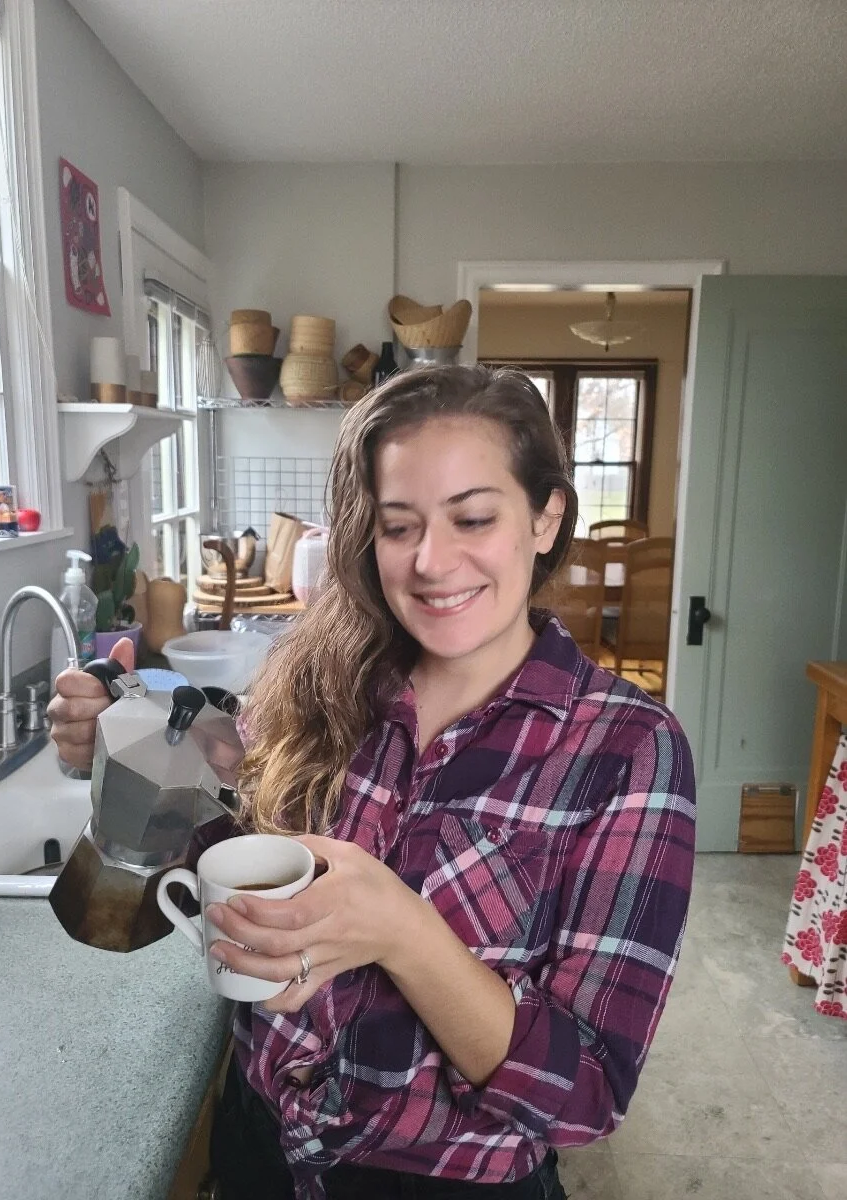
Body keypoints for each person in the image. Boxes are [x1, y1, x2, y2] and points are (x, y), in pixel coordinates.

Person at [49, 365, 696, 1200]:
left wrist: (403, 932)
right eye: (399, 526)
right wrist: (130, 761)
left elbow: (589, 1093)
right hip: (259, 1152)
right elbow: (169, 901)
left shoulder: (628, 749)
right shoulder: (315, 683)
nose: (431, 561)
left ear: (545, 518)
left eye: (473, 518)